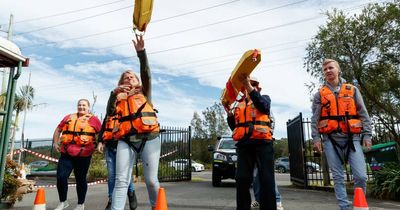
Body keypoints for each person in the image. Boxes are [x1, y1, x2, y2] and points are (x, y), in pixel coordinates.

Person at [311, 59, 372, 210]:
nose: (328, 71)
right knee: (338, 177)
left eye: (330, 68)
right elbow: (315, 118)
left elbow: (363, 114)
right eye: (325, 69)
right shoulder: (319, 94)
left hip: (353, 139)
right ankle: (344, 207)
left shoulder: (352, 90)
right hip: (330, 140)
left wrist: (367, 135)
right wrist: (316, 138)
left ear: (338, 70)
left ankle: (359, 205)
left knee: (361, 176)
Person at [111, 35, 161, 210]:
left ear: (138, 81)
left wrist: (141, 53)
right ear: (121, 83)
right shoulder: (117, 98)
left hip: (150, 137)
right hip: (126, 139)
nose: (129, 78)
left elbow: (146, 74)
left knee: (151, 180)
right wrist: (113, 93)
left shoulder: (145, 91)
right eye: (126, 77)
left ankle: (157, 206)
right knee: (121, 180)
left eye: (132, 77)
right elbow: (109, 114)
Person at [226, 75, 276, 210]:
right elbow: (235, 127)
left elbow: (264, 107)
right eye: (245, 84)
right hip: (244, 145)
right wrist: (229, 115)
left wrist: (249, 86)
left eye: (250, 83)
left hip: (263, 143)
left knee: (266, 179)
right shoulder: (238, 105)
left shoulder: (264, 97)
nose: (247, 86)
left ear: (256, 86)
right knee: (242, 179)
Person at [53, 99, 102, 210]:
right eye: (79, 105)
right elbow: (58, 129)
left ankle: (80, 204)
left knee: (80, 179)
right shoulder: (68, 117)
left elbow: (102, 133)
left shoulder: (94, 120)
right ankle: (63, 202)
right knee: (61, 177)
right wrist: (55, 142)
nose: (81, 107)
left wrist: (100, 143)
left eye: (84, 105)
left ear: (88, 107)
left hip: (84, 155)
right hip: (66, 153)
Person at [97, 114, 137, 210]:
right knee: (111, 175)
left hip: (125, 146)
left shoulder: (127, 109)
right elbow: (103, 128)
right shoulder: (109, 113)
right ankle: (111, 199)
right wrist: (100, 141)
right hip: (110, 147)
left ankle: (131, 193)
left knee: (125, 174)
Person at [250, 112, 284, 210]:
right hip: (251, 144)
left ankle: (277, 200)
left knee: (269, 175)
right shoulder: (246, 105)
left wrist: (268, 133)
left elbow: (271, 120)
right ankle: (258, 200)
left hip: (264, 142)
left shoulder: (262, 103)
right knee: (255, 174)